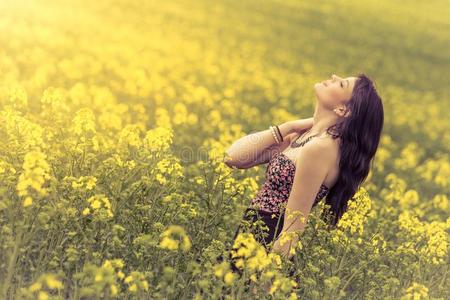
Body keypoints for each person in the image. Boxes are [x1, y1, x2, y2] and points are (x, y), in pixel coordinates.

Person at [220, 73, 384, 284]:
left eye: (341, 83)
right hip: (250, 232)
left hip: (267, 240)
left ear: (343, 110)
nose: (334, 76)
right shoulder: (304, 138)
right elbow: (233, 157)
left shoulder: (319, 148)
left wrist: (265, 284)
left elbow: (293, 225)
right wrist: (288, 127)